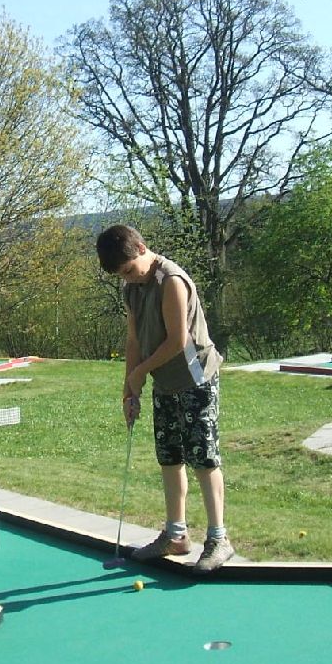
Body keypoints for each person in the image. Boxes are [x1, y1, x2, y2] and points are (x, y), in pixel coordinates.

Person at [96, 224, 235, 574]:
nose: (127, 278)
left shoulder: (171, 280)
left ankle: (219, 539)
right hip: (165, 383)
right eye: (120, 275)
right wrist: (130, 387)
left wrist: (141, 372)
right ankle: (176, 536)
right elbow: (133, 341)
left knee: (203, 457)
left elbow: (176, 340)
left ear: (142, 248)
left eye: (129, 269)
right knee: (170, 457)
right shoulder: (132, 289)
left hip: (196, 378)